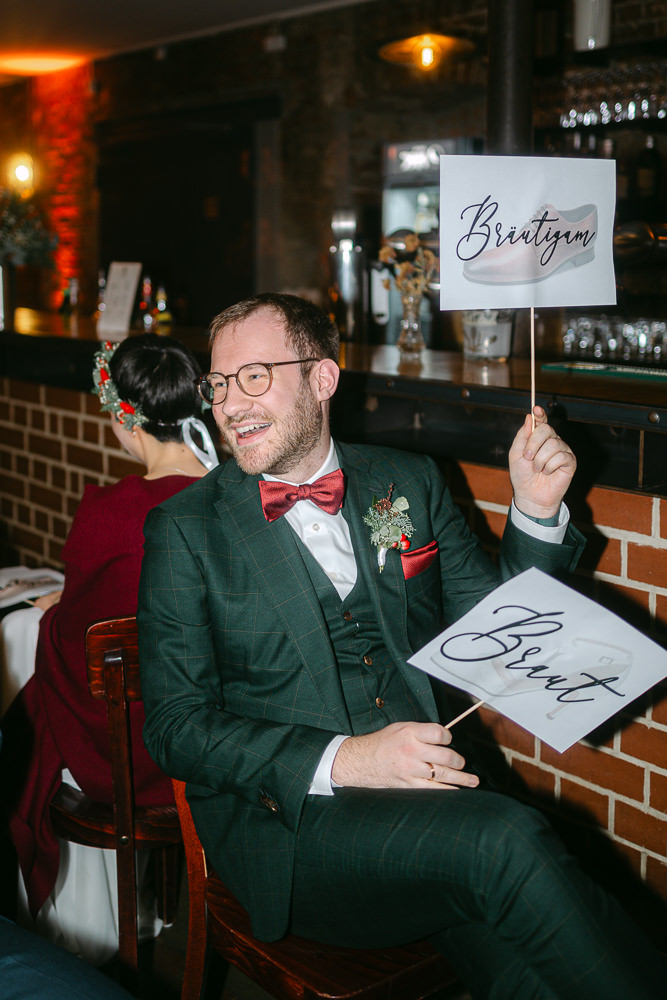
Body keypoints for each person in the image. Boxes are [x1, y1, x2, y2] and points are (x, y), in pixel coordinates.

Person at [137, 294, 665, 1000]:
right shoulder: (185, 529)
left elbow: (493, 628)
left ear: (321, 379)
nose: (230, 404)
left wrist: (535, 510)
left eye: (255, 376)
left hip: (434, 805)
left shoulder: (406, 480)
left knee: (526, 964)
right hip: (295, 833)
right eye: (220, 383)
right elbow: (175, 728)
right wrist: (353, 758)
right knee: (505, 841)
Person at [1, 332, 218, 965]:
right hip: (209, 741)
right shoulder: (230, 497)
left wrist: (56, 618)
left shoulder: (111, 514)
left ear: (126, 419)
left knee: (25, 648)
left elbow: (80, 647)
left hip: (129, 760)